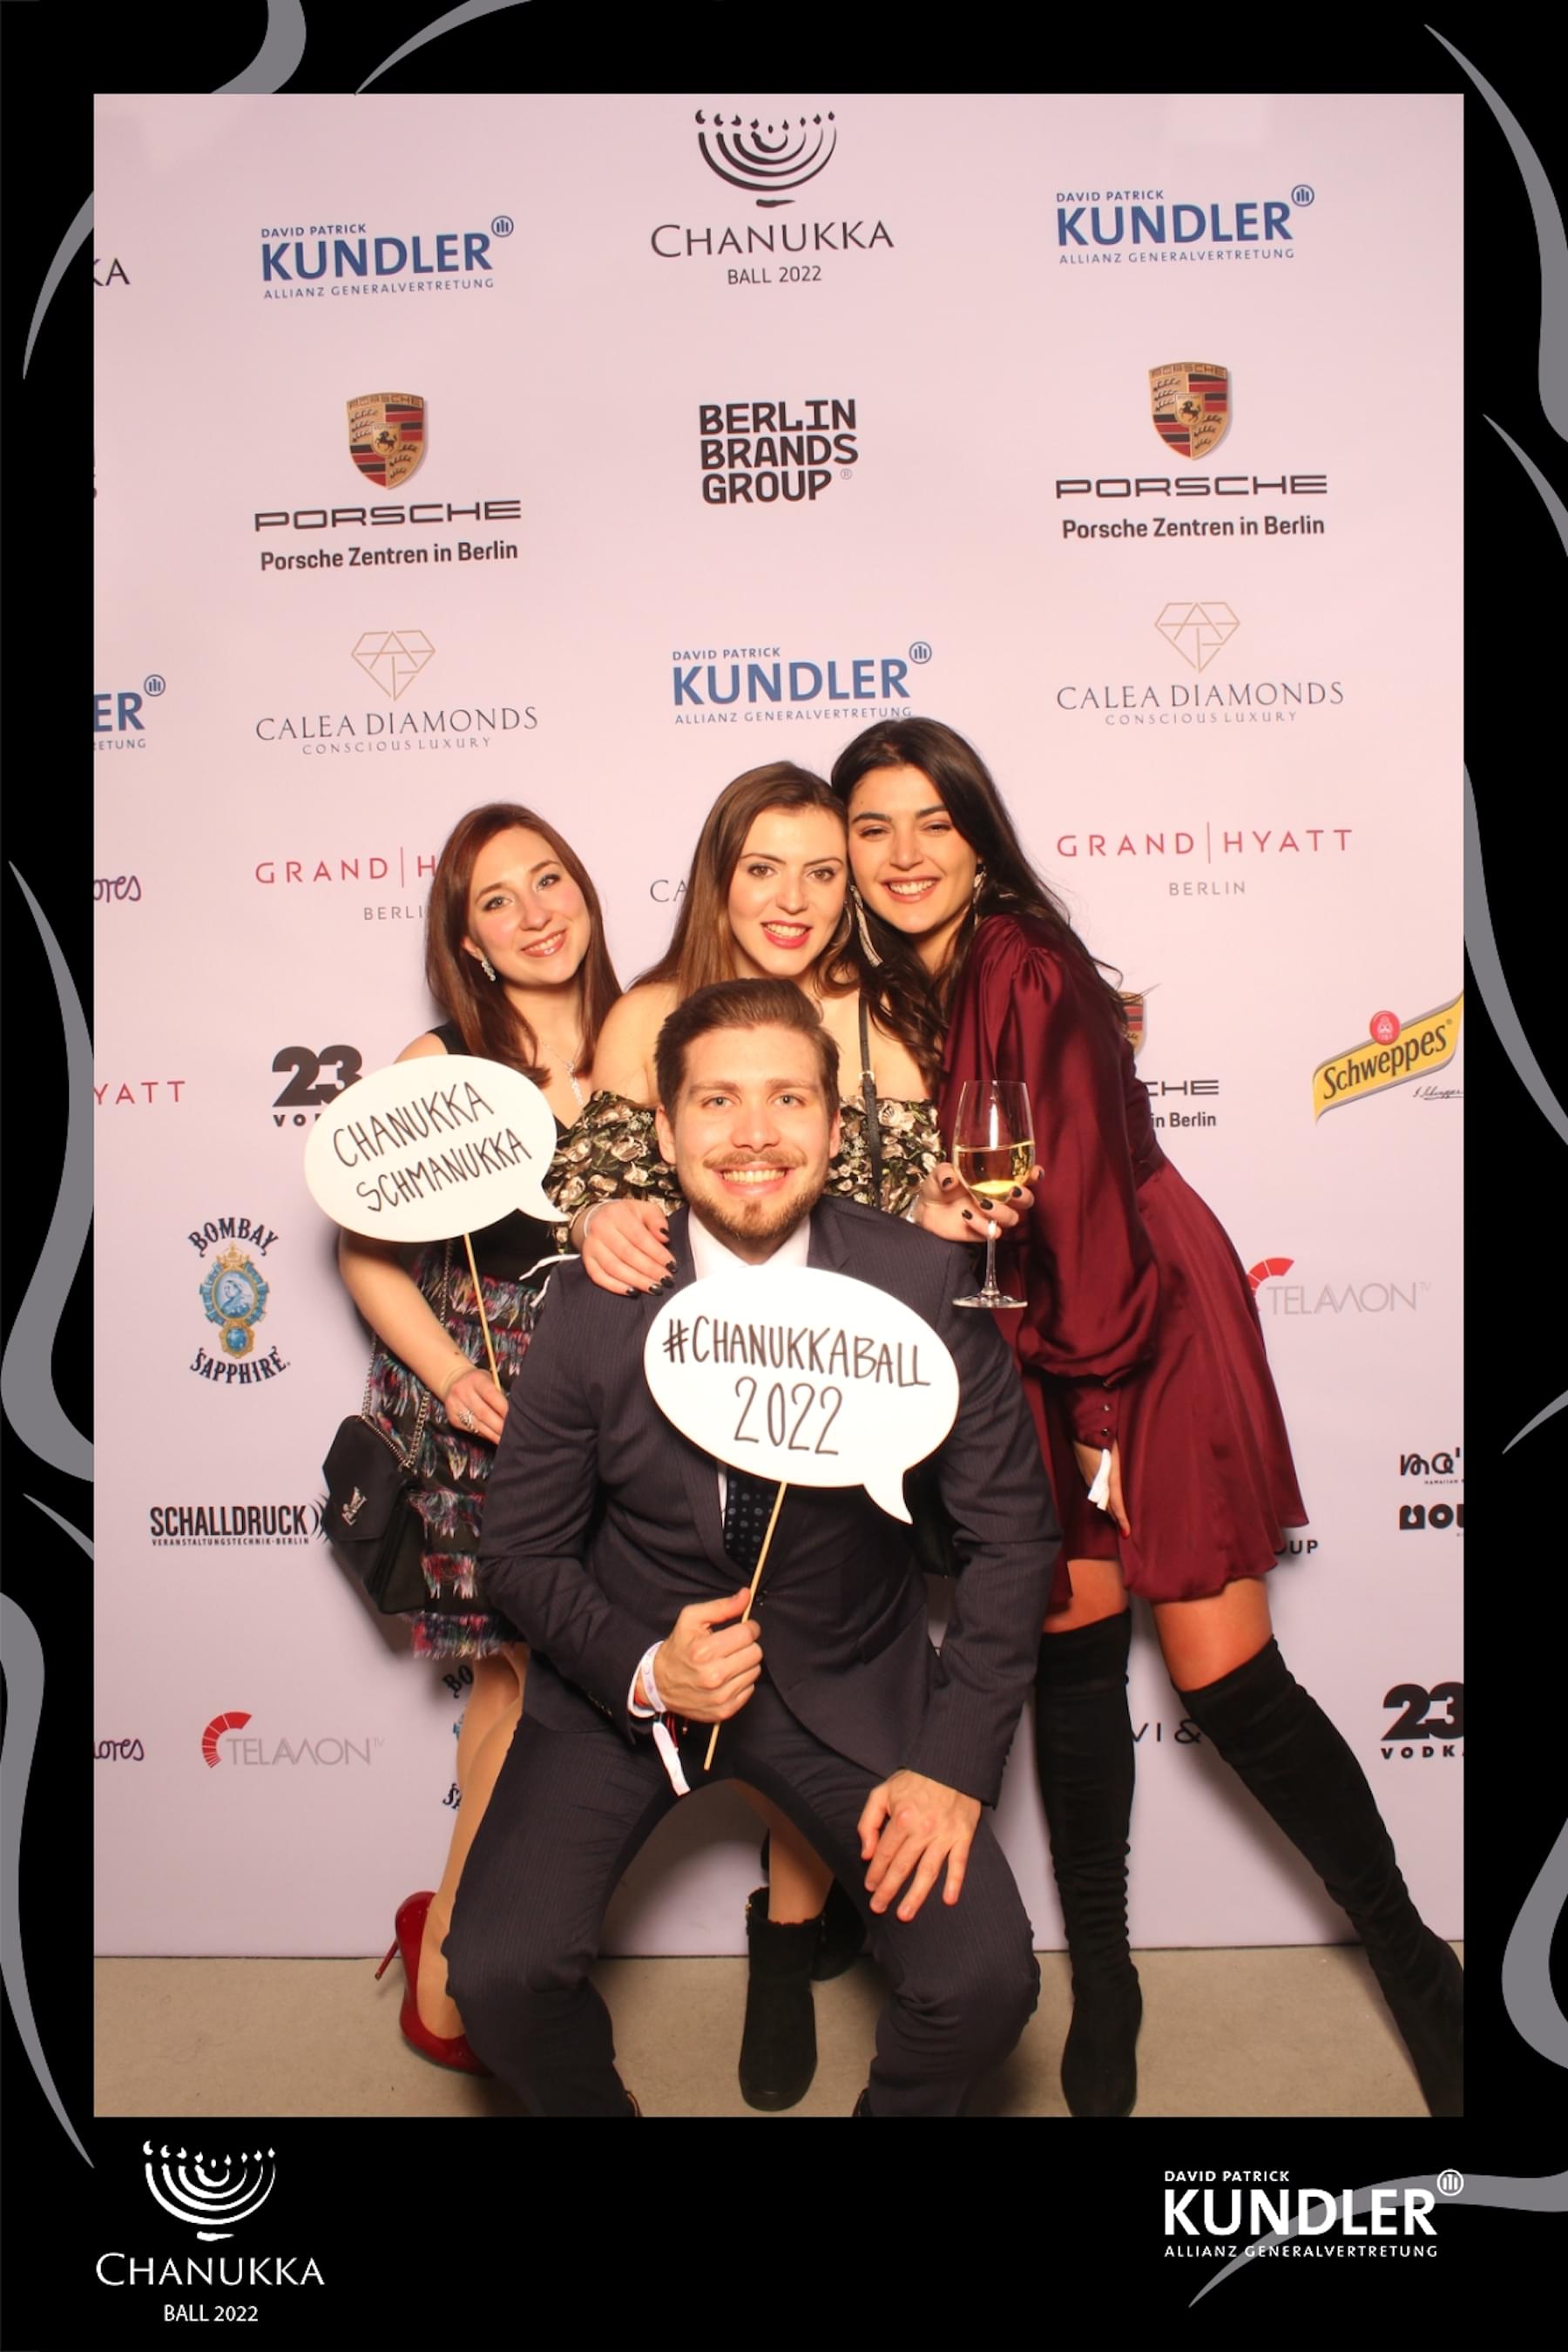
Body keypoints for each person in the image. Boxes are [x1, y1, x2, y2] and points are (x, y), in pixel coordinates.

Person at [828, 715, 1463, 2119]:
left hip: (1130, 1326)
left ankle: (1416, 1963)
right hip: (1029, 1323)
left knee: (1228, 1682)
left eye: (934, 822)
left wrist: (1101, 1409)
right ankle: (1106, 1977)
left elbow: (1091, 1212)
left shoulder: (1022, 961)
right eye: (874, 829)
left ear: (980, 837)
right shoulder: (929, 979)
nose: (905, 854)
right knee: (1066, 1661)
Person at [444, 977, 1058, 2116]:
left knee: (982, 1983)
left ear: (835, 1125)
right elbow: (519, 1551)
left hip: (846, 1679)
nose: (755, 1135)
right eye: (717, 1101)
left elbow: (1013, 1539)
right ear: (665, 1130)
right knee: (495, 1976)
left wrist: (953, 1765)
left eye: (788, 1098)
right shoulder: (597, 1297)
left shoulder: (922, 1286)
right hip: (628, 1684)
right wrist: (644, 1667)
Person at [555, 760, 1027, 2108]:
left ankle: (791, 1926)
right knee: (713, 1635)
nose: (797, 898)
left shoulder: (889, 1019)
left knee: (816, 1646)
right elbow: (594, 1195)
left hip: (847, 1414)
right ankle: (782, 1931)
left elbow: (892, 1218)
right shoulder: (651, 1012)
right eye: (765, 867)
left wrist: (939, 1223)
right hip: (674, 1429)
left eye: (826, 871)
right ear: (719, 875)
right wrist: (599, 1215)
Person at [338, 801, 620, 2071]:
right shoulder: (444, 1061)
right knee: (525, 1674)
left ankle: (460, 1934)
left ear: (586, 890)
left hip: (617, 1395)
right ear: (469, 940)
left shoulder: (647, 1032)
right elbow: (364, 1252)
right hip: (490, 1399)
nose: (534, 914)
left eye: (548, 880)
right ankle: (453, 1970)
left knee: (537, 1684)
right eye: (496, 900)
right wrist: (453, 1376)